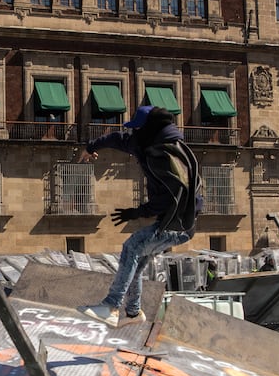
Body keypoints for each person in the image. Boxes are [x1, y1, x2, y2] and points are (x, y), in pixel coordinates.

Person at [77, 106, 202, 328]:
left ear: (148, 130)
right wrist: (91, 147)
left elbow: (172, 198)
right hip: (170, 221)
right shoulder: (147, 143)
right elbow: (119, 139)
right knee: (134, 263)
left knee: (131, 247)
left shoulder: (163, 156)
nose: (133, 134)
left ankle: (111, 306)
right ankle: (133, 313)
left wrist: (137, 212)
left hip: (178, 225)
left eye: (137, 129)